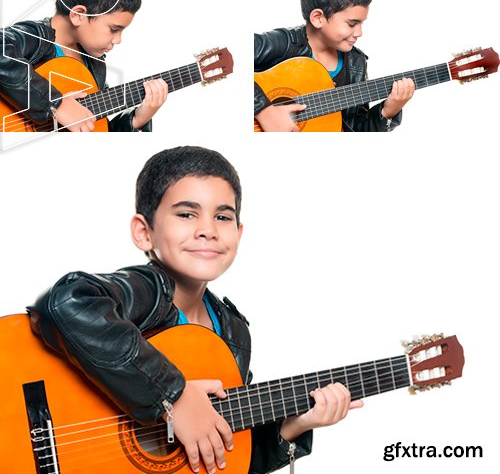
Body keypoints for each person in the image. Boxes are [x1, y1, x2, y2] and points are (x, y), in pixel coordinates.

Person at [29, 145, 362, 473]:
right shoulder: (145, 291)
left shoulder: (233, 333)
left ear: (239, 233)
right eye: (186, 214)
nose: (208, 230)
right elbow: (66, 302)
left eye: (222, 216)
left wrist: (293, 426)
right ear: (144, 233)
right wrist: (174, 397)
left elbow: (220, 454)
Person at [0, 0, 168, 131]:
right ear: (78, 15)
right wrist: (56, 103)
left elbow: (95, 129)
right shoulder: (37, 38)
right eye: (114, 29)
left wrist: (137, 120)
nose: (118, 40)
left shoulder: (94, 68)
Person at [254, 0, 415, 131]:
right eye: (352, 24)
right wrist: (265, 111)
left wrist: (388, 112)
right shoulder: (284, 43)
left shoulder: (355, 63)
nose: (359, 33)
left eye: (361, 23)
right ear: (318, 18)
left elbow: (353, 129)